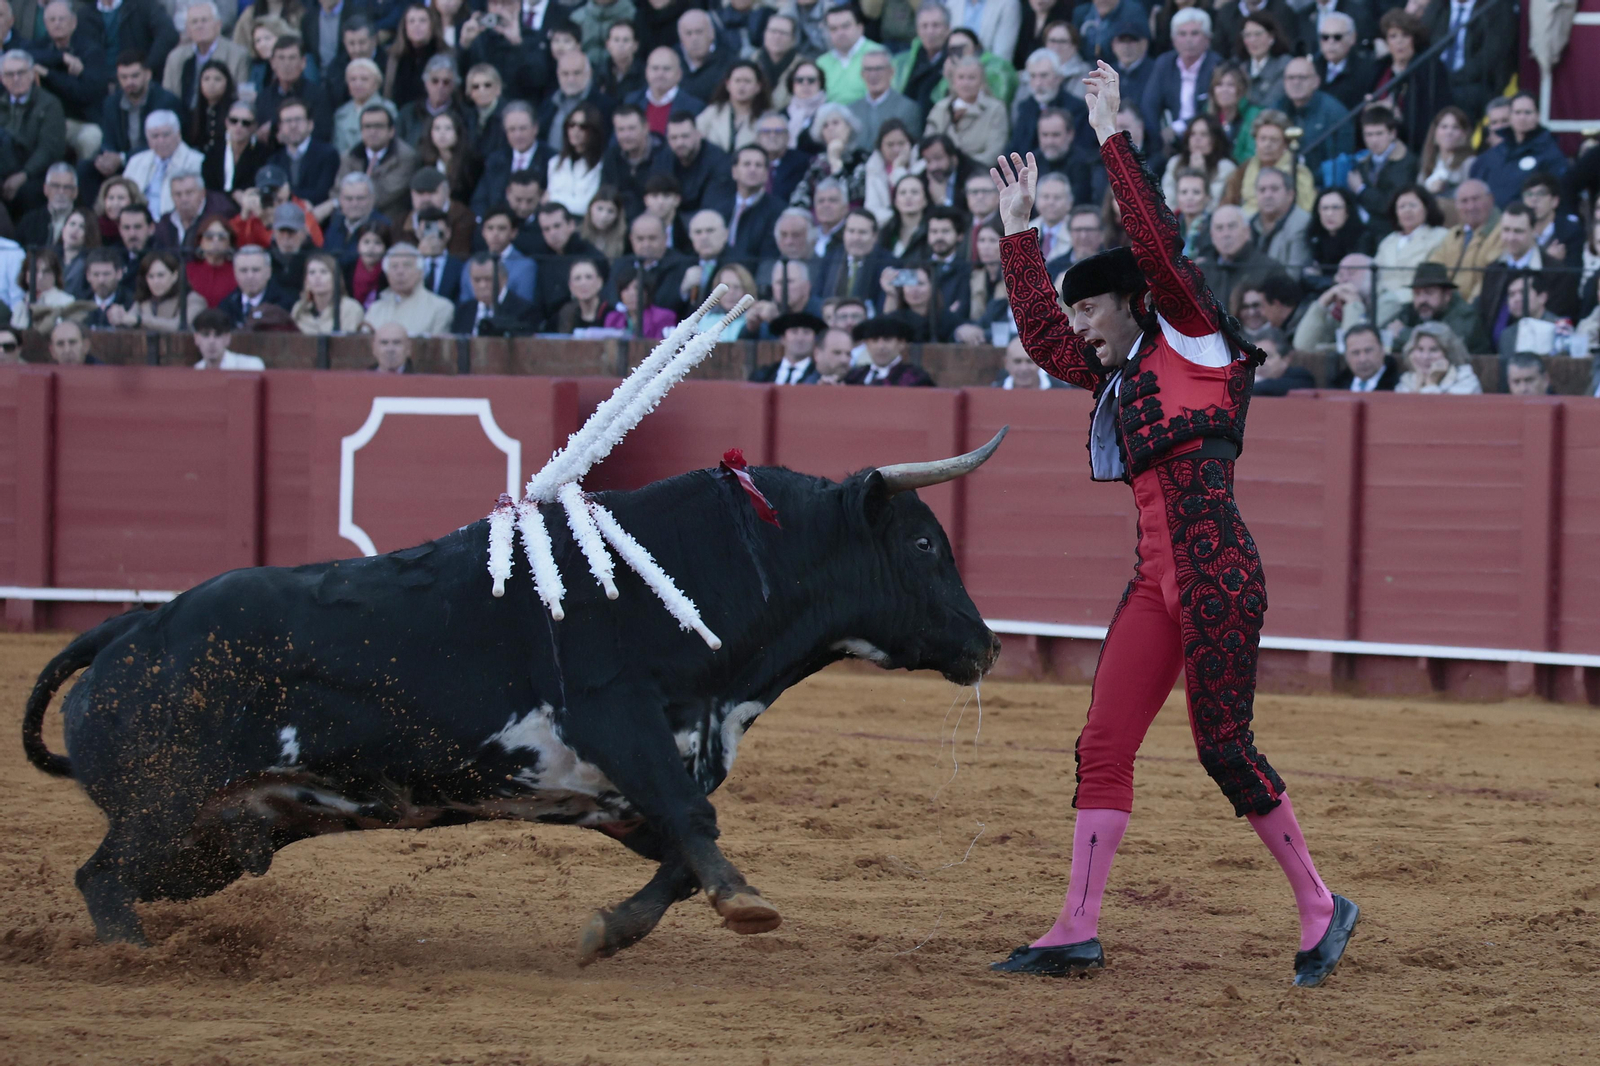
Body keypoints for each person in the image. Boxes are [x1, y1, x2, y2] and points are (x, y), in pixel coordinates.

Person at [987, 61, 1355, 986]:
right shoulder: (1117, 370)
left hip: (1217, 567)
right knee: (1103, 741)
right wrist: (1018, 234)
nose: (1078, 329)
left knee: (1222, 745)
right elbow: (1038, 340)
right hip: (1155, 576)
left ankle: (1321, 904)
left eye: (1089, 309)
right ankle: (1076, 924)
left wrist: (1113, 132)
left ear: (1130, 302)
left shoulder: (1192, 332)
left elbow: (1150, 238)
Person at [1368, 9, 1449, 153]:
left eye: (1405, 35)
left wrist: (1398, 117)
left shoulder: (1429, 68)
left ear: (1414, 39)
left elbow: (1432, 113)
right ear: (1387, 41)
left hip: (1413, 147)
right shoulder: (1379, 69)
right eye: (1393, 36)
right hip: (1379, 145)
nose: (1399, 42)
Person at [1470, 94, 1568, 209]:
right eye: (1517, 112)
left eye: (1527, 112)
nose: (1522, 117)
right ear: (1510, 116)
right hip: (1491, 222)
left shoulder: (1551, 155)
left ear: (1538, 116)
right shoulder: (1492, 155)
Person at [0, 49, 67, 217]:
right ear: (2, 78)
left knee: (28, 193)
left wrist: (23, 175)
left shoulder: (50, 104)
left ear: (31, 74)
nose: (16, 79)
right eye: (9, 74)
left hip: (35, 173)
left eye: (21, 73)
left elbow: (49, 148)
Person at [1371, 184, 1447, 324]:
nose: (1407, 211)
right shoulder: (1388, 241)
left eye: (1412, 205)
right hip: (1380, 297)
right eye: (1402, 207)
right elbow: (1374, 273)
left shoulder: (1439, 236)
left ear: (1426, 208)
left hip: (1412, 299)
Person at [924, 56, 1008, 168]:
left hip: (978, 172)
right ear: (953, 81)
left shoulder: (995, 109)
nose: (965, 83)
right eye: (961, 77)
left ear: (982, 82)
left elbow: (993, 152)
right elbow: (927, 144)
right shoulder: (941, 108)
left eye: (971, 78)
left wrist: (964, 168)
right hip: (941, 169)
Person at [1426, 178, 1500, 303]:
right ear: (1456, 205)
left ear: (1490, 199)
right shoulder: (1454, 234)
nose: (1470, 207)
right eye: (1464, 201)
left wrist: (1468, 307)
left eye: (1476, 199)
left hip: (1476, 308)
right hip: (1445, 306)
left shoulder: (1504, 232)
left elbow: (1489, 281)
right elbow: (1434, 268)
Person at [789, 103, 868, 210]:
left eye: (835, 123)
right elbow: (801, 195)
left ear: (849, 127)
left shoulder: (863, 158)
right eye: (825, 126)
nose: (830, 128)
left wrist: (835, 162)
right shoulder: (818, 162)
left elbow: (854, 195)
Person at [363, 241, 453, 335]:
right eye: (394, 266)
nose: (400, 271)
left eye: (407, 265)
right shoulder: (375, 309)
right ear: (387, 274)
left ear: (420, 272)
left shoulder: (440, 308)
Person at [1292, 252, 1372, 353]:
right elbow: (1302, 346)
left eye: (1352, 273)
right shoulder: (1336, 309)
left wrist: (1354, 304)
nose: (1344, 280)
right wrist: (1321, 304)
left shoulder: (1384, 304)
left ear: (1370, 276)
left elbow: (1352, 348)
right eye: (1341, 274)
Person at [1160, 113, 1233, 209]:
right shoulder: (1175, 163)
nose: (1197, 139)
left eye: (1204, 134)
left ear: (1215, 139)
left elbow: (1214, 205)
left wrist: (1200, 174)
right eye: (1193, 134)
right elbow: (1167, 201)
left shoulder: (1226, 167)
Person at [1393, 320, 1481, 394]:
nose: (1425, 357)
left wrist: (1431, 382)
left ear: (1448, 353)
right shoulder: (1407, 380)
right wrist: (1418, 384)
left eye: (1433, 350)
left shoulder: (1465, 380)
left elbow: (1434, 412)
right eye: (1420, 349)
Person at [219, 244, 296, 327]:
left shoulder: (286, 305)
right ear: (235, 273)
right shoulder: (226, 306)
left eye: (256, 270)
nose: (250, 276)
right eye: (243, 270)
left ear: (268, 272)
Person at [842, 316, 934, 384]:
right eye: (875, 340)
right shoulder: (855, 376)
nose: (881, 346)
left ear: (901, 343)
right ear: (866, 344)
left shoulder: (916, 378)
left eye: (887, 340)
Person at [291, 251, 364, 333]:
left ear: (335, 278)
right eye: (312, 272)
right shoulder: (298, 309)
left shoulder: (351, 308)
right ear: (306, 281)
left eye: (323, 272)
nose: (317, 277)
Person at [603, 261, 677, 337]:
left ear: (647, 291)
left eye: (637, 288)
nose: (631, 294)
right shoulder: (613, 319)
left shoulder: (663, 317)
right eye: (625, 288)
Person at [750, 311, 827, 383]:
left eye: (806, 332)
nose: (800, 338)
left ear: (814, 339)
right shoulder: (762, 376)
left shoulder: (820, 378)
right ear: (783, 338)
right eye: (794, 331)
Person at [1418, 107, 1474, 201]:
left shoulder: (1470, 163)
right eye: (1444, 127)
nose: (1449, 132)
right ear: (1435, 133)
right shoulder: (1428, 162)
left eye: (1455, 127)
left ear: (1464, 135)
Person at [1330, 322, 1402, 390]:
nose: (1363, 359)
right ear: (1346, 356)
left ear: (1382, 350)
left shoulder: (1400, 386)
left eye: (1368, 351)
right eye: (1356, 353)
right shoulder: (1335, 388)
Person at [187, 215, 239, 307]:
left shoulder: (238, 271)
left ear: (229, 242)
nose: (215, 241)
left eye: (222, 237)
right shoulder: (188, 270)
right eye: (209, 237)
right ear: (200, 242)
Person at [192, 307, 267, 369]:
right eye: (206, 335)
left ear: (227, 338)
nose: (212, 341)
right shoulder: (196, 371)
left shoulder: (250, 366)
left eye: (218, 334)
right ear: (196, 338)